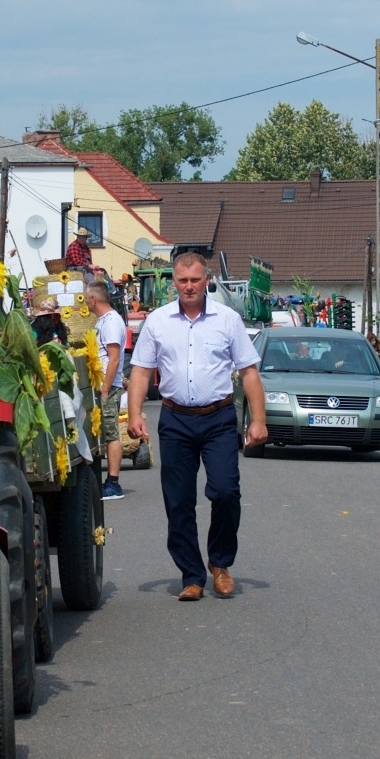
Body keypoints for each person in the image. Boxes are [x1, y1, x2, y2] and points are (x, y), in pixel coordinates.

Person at [127, 252, 265, 601]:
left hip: (218, 418)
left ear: (208, 281)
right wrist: (135, 414)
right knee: (178, 501)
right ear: (173, 282)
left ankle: (220, 564)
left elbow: (249, 371)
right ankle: (191, 575)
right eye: (183, 280)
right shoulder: (158, 322)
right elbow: (141, 372)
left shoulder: (228, 320)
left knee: (225, 491)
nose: (189, 287)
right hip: (175, 420)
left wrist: (258, 420)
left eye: (195, 280)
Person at [88, 281, 128, 499]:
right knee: (104, 431)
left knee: (111, 432)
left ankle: (113, 483)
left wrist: (104, 390)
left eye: (86, 298)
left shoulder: (111, 321)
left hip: (108, 385)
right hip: (103, 383)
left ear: (94, 299)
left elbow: (113, 359)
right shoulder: (102, 321)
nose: (85, 302)